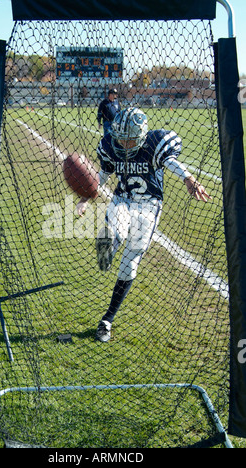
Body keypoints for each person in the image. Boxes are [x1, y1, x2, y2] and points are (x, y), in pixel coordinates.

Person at [77, 107, 211, 342]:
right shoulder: (111, 145)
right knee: (112, 233)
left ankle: (107, 319)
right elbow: (104, 174)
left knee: (129, 265)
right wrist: (86, 197)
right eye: (120, 138)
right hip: (122, 199)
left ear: (140, 136)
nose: (123, 144)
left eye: (129, 140)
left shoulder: (154, 143)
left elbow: (169, 161)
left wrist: (188, 178)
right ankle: (108, 246)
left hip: (149, 205)